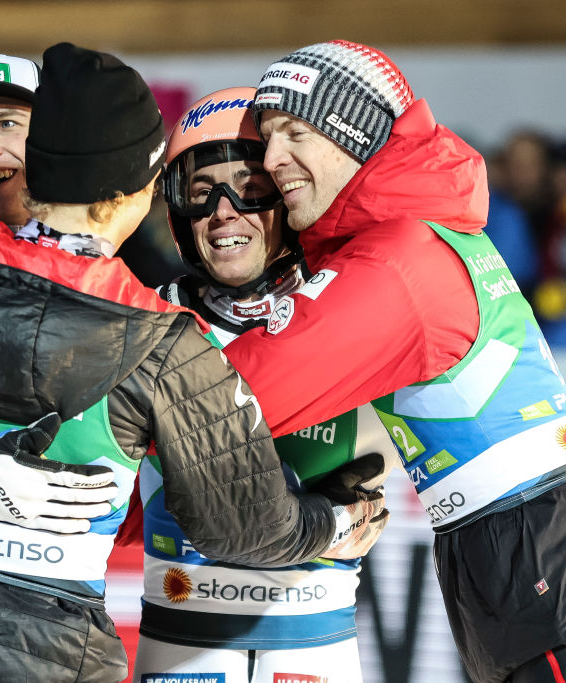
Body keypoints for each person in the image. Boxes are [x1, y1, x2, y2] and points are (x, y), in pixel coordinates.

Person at [0, 45, 376, 683]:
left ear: (43, 160)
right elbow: (244, 527)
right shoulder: (166, 340)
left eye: (7, 125)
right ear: (134, 192)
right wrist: (327, 520)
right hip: (54, 645)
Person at [205, 40, 566, 682]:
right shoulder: (418, 236)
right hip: (556, 568)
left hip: (557, 574)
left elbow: (230, 397)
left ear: (354, 135)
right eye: (267, 138)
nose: (272, 160)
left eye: (295, 131)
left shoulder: (394, 261)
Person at [131, 87, 395, 683]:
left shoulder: (354, 307)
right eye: (202, 194)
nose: (225, 210)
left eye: (251, 190)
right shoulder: (144, 319)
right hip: (182, 633)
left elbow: (453, 403)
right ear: (178, 217)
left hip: (315, 639)